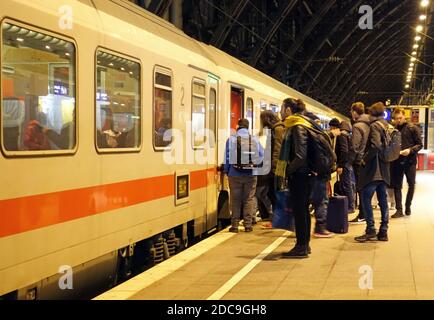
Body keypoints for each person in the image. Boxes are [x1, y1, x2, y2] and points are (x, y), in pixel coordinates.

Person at [276, 98, 317, 258]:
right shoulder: (300, 124)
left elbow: (300, 155)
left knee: (300, 211)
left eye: (281, 108)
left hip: (300, 176)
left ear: (288, 110)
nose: (279, 112)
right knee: (303, 210)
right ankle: (304, 245)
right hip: (304, 175)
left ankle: (301, 246)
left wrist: (287, 170)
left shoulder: (297, 126)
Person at [355, 102, 390, 242]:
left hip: (374, 170)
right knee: (383, 201)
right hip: (384, 168)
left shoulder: (375, 126)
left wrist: (364, 159)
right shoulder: (387, 125)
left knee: (365, 199)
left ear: (373, 114)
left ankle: (370, 230)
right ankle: (383, 231)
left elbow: (375, 146)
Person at [223, 118, 264, 233]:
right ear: (247, 127)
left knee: (235, 199)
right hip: (250, 174)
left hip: (234, 174)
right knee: (248, 199)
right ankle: (248, 225)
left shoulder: (231, 139)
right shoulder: (254, 139)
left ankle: (235, 226)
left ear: (237, 126)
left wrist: (227, 171)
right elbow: (262, 155)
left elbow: (227, 157)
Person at [390, 107, 423, 218]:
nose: (398, 120)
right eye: (396, 118)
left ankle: (408, 206)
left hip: (410, 161)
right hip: (396, 161)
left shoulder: (412, 128)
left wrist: (409, 150)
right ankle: (399, 209)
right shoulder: (393, 130)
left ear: (404, 115)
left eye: (400, 118)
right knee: (397, 186)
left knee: (411, 184)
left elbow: (419, 144)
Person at [306, 112, 334, 238]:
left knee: (315, 200)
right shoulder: (316, 136)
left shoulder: (314, 135)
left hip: (318, 173)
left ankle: (305, 227)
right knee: (321, 201)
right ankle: (320, 227)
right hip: (318, 174)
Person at [258, 110, 285, 229]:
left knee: (275, 192)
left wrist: (273, 167)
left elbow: (277, 149)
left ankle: (279, 219)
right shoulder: (274, 129)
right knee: (271, 192)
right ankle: (276, 218)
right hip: (273, 166)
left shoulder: (278, 129)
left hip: (276, 167)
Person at [349, 102, 371, 224]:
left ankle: (363, 214)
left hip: (359, 161)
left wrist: (349, 161)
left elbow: (354, 146)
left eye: (351, 112)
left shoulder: (357, 126)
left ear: (355, 112)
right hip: (368, 160)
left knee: (360, 188)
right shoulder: (370, 124)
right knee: (366, 188)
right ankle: (365, 213)